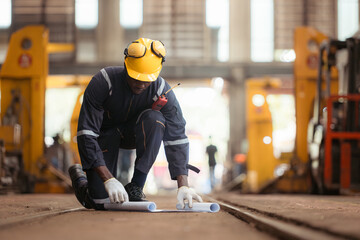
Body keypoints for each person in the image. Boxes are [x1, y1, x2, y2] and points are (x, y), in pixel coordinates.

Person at [68, 38, 202, 210]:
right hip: (106, 136)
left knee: (156, 119)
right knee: (100, 202)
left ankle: (136, 186)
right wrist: (107, 178)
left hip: (135, 134)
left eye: (147, 80)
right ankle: (80, 177)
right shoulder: (103, 82)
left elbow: (177, 137)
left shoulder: (162, 90)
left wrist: (183, 184)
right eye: (135, 78)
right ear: (125, 66)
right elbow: (86, 133)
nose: (141, 84)